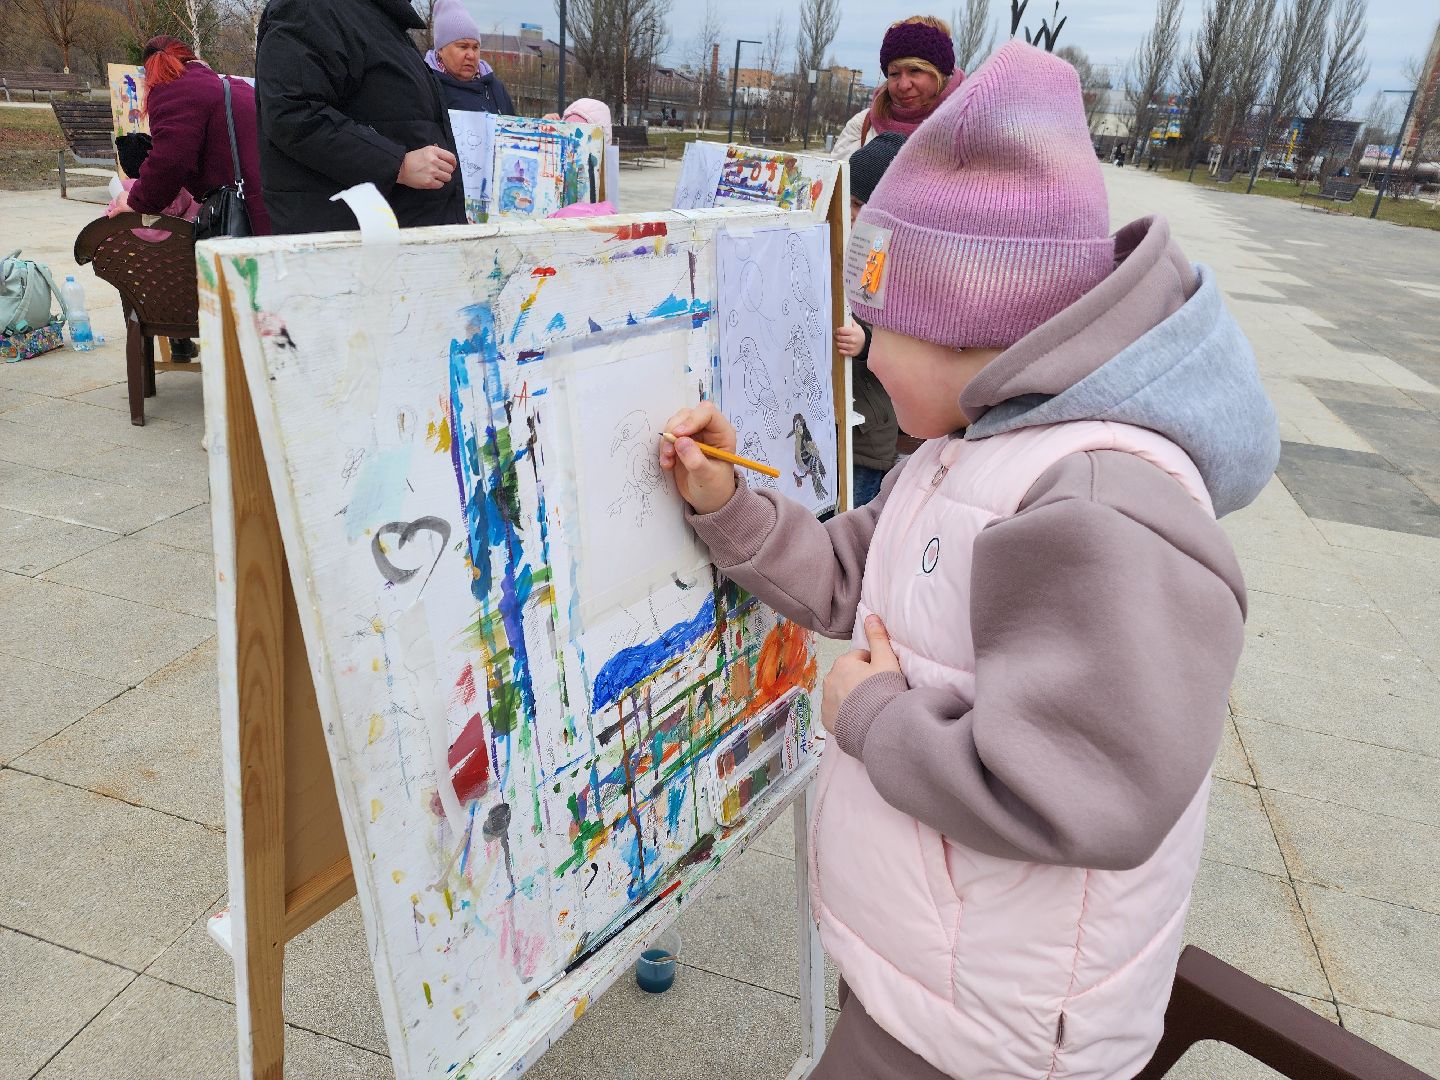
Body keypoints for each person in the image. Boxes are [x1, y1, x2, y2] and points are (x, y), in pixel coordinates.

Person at [660, 41, 1277, 1080]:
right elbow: (851, 575)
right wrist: (729, 503)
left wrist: (873, 717)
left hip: (1002, 1037)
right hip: (940, 978)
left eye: (875, 323)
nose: (856, 345)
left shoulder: (1094, 506)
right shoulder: (961, 448)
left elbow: (1086, 790)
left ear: (967, 325)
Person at [255, 0, 464, 234]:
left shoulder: (381, 20)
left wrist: (455, 213)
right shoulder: (313, 8)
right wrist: (397, 164)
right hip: (348, 245)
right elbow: (292, 113)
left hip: (399, 237)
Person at [108, 36, 272, 236]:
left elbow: (169, 161)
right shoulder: (233, 86)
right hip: (275, 206)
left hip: (245, 217)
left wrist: (135, 202)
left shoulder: (174, 89)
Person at [833, 132, 906, 507]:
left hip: (867, 436)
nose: (849, 211)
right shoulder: (834, 246)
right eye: (845, 199)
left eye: (860, 203)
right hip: (831, 423)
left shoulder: (898, 264)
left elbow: (908, 341)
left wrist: (866, 343)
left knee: (852, 523)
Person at [832, 16, 963, 160]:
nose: (903, 85)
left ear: (941, 73)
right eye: (894, 74)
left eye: (915, 70)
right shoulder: (863, 125)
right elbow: (833, 179)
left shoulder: (967, 129)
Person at [426, 0, 515, 114]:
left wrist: (540, 128)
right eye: (463, 47)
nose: (471, 55)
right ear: (441, 50)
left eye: (475, 47)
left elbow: (513, 129)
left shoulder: (495, 89)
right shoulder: (425, 88)